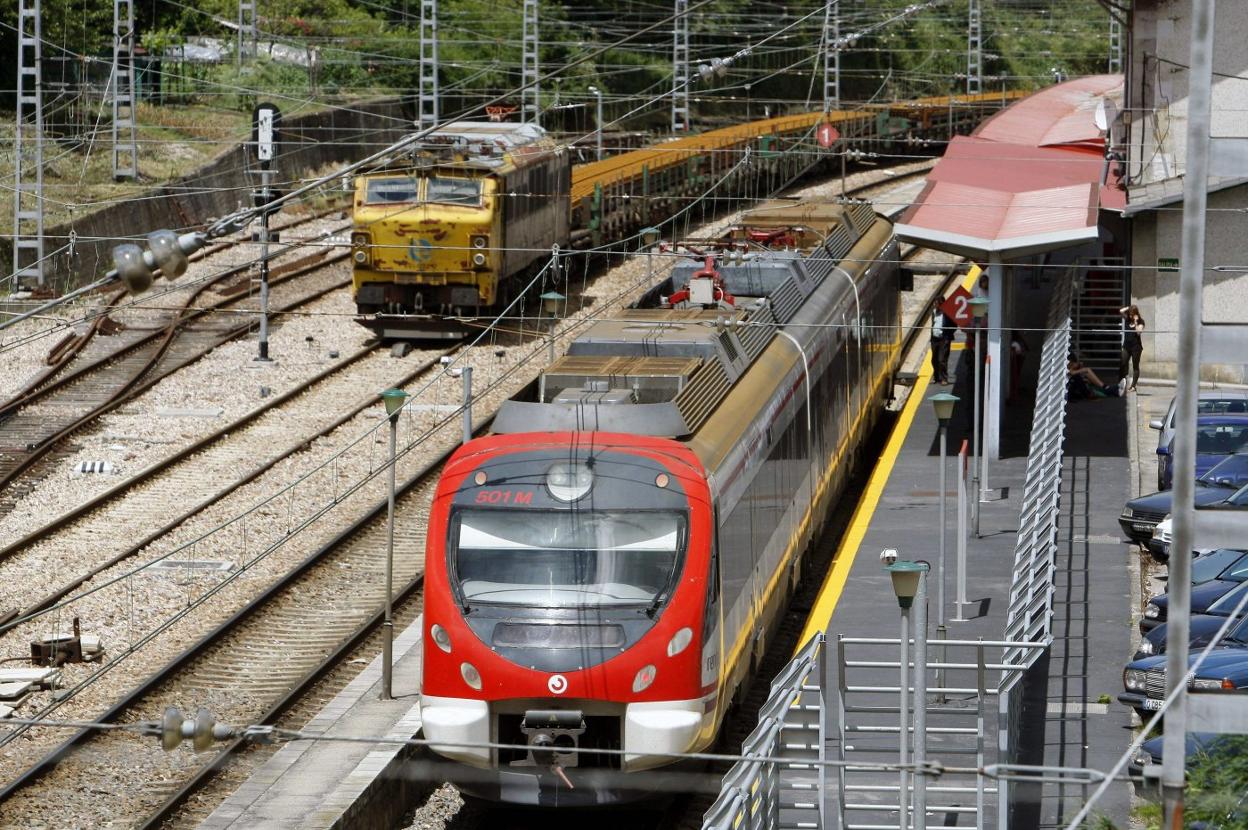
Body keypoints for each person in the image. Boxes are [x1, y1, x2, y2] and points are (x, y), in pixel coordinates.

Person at [1119, 304, 1145, 392]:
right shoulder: (1127, 319)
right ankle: (1122, 383)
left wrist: (1136, 322)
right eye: (1130, 313)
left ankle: (1133, 386)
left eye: (1132, 314)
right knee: (1123, 362)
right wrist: (1128, 308)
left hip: (1136, 347)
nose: (1130, 315)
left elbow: (1138, 332)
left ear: (1136, 314)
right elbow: (1121, 311)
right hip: (1126, 345)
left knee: (1135, 366)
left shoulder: (1141, 322)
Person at [930, 305, 954, 384]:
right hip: (934, 339)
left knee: (942, 359)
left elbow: (954, 325)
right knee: (934, 359)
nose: (936, 306)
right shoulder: (934, 312)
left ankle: (944, 378)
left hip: (944, 339)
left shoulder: (947, 313)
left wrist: (948, 335)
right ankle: (936, 377)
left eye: (937, 304)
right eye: (935, 304)